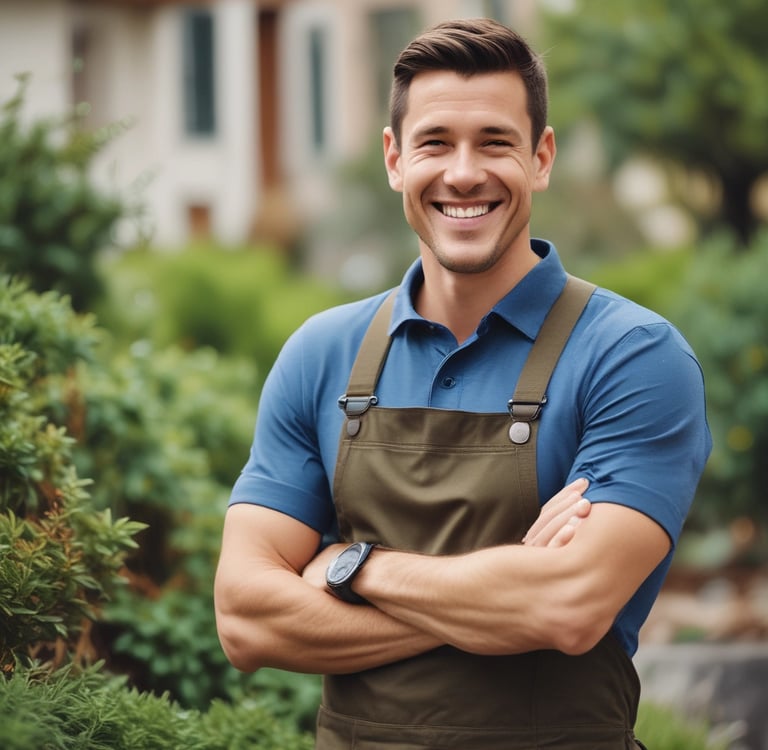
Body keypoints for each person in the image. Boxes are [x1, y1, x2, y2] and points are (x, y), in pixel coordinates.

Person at [214, 17, 711, 750]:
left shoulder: (632, 357)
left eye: (495, 143)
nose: (463, 173)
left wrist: (352, 566)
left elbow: (567, 608)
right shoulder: (322, 354)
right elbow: (246, 619)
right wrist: (502, 599)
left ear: (542, 158)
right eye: (436, 143)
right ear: (394, 159)